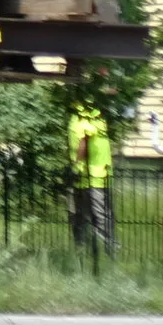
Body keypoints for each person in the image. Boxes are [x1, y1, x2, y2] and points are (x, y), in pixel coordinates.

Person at [68, 103, 117, 252]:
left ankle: (104, 249)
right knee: (102, 215)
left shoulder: (84, 118)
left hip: (89, 177)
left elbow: (84, 142)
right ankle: (101, 249)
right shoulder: (100, 118)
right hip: (104, 175)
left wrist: (75, 167)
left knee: (92, 216)